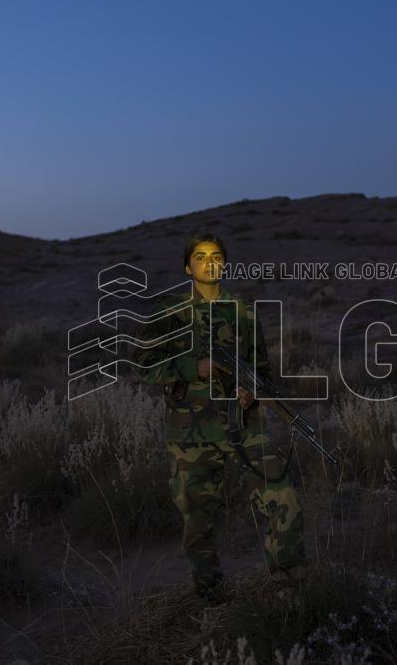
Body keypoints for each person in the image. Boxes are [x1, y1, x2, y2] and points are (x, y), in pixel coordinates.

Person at [133, 233, 306, 602]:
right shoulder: (169, 311)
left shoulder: (244, 313)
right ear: (187, 266)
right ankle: (210, 594)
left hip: (242, 427)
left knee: (282, 498)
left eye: (216, 256)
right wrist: (195, 367)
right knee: (197, 519)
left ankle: (290, 596)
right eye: (199, 256)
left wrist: (251, 394)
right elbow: (142, 364)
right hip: (189, 433)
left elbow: (262, 374)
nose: (209, 261)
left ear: (224, 264)